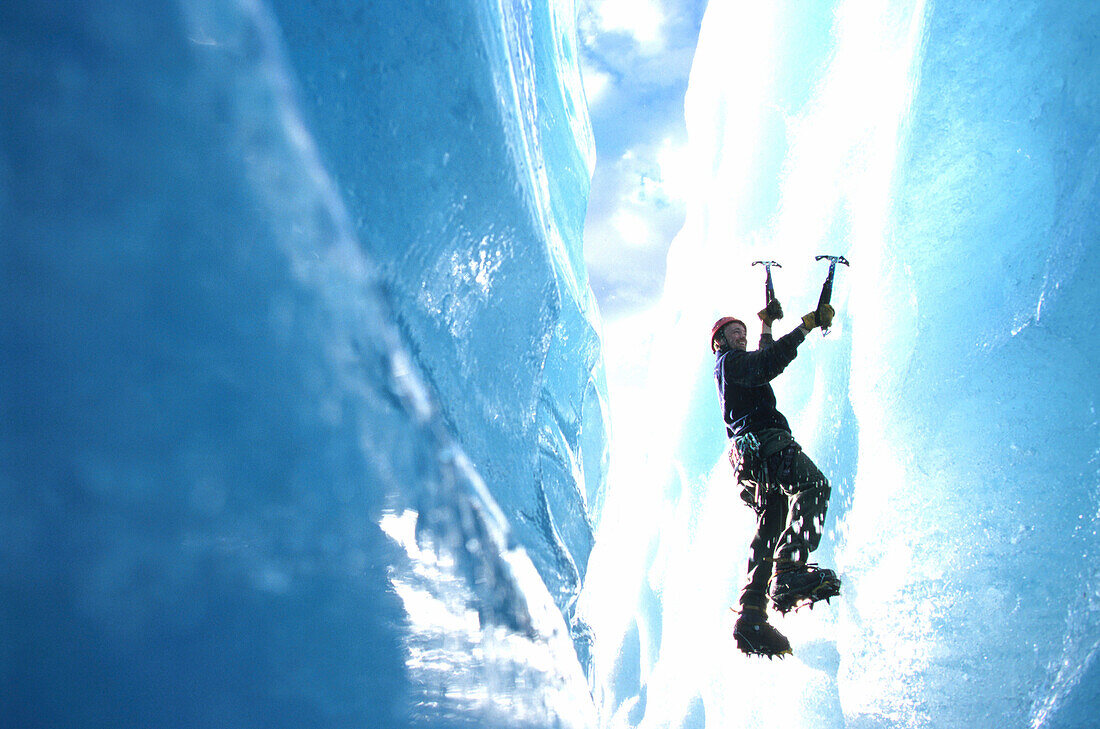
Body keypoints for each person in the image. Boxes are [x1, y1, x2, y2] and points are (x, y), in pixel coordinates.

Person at [711, 299, 841, 658]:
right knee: (813, 485)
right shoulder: (732, 363)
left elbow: (761, 358)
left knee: (771, 524)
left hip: (750, 461)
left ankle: (751, 616)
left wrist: (766, 324)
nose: (741, 335)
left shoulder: (735, 368)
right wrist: (806, 326)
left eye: (743, 331)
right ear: (719, 341)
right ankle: (789, 568)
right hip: (766, 441)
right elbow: (764, 364)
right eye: (733, 332)